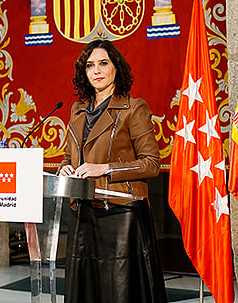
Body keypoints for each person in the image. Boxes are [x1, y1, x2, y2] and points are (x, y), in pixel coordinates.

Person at [59, 40, 168, 303]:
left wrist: (105, 168)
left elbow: (151, 163)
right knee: (86, 291)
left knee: (118, 292)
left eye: (103, 63)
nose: (96, 70)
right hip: (82, 212)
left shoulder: (134, 108)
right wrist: (65, 167)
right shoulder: (78, 110)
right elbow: (69, 153)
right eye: (90, 65)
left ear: (116, 68)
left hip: (119, 214)